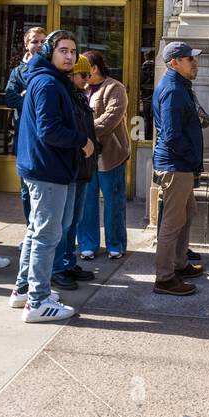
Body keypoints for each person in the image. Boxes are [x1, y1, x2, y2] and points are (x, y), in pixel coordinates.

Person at [11, 30, 92, 322]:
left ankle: (24, 289)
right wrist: (82, 141)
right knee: (47, 235)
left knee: (38, 230)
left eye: (72, 51)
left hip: (50, 168)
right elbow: (49, 130)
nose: (69, 56)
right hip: (48, 169)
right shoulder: (47, 83)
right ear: (49, 52)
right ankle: (38, 300)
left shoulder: (52, 80)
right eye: (63, 51)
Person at [151, 41, 206, 296]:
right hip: (176, 166)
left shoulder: (179, 86)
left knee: (188, 213)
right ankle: (164, 277)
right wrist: (192, 154)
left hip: (180, 164)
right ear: (174, 62)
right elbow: (172, 135)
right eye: (189, 58)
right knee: (172, 223)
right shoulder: (173, 89)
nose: (194, 62)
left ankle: (179, 263)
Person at [51, 53, 98, 290]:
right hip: (71, 166)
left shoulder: (79, 96)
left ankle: (68, 261)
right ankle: (58, 266)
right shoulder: (65, 96)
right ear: (71, 75)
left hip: (82, 166)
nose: (87, 79)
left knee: (74, 220)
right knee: (64, 222)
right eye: (83, 75)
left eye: (89, 74)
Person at [78, 50, 130, 261]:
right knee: (87, 202)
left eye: (83, 68)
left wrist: (83, 130)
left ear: (94, 68)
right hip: (86, 155)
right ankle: (87, 244)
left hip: (111, 155)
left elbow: (111, 118)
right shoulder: (79, 88)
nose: (79, 73)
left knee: (113, 202)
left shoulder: (115, 87)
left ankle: (115, 244)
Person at [5, 26, 46, 223]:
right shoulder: (17, 72)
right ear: (26, 44)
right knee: (26, 187)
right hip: (25, 134)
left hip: (48, 134)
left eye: (42, 42)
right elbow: (10, 98)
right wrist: (32, 102)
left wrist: (27, 94)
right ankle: (31, 228)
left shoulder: (53, 67)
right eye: (34, 41)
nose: (38, 45)